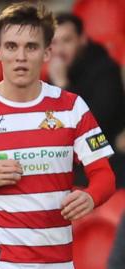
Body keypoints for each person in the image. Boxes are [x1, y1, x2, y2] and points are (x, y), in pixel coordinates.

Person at [0, 2, 116, 269]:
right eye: (11, 46)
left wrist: (90, 196)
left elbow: (104, 174)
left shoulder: (72, 107)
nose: (21, 56)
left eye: (31, 47)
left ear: (47, 52)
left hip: (56, 260)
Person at [48, 12, 125, 188]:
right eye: (54, 43)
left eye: (67, 41)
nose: (59, 50)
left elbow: (95, 124)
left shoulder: (105, 70)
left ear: (82, 39)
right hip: (68, 155)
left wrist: (62, 84)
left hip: (106, 153)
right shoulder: (53, 73)